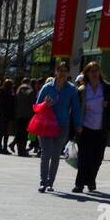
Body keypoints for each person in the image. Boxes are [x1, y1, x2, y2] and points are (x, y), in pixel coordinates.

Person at [74, 61, 110, 194]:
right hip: (85, 128)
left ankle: (91, 180)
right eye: (91, 71)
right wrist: (77, 126)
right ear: (87, 73)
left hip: (102, 128)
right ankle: (79, 184)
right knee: (84, 157)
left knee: (97, 158)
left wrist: (109, 105)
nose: (94, 73)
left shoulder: (107, 88)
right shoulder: (82, 90)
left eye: (96, 70)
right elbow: (76, 109)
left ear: (100, 72)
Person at [36, 62, 81, 193]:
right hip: (46, 125)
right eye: (60, 70)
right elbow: (36, 106)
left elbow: (76, 108)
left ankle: (50, 182)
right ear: (56, 71)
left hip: (62, 125)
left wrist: (78, 124)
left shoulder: (72, 89)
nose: (62, 73)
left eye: (65, 71)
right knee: (46, 154)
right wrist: (45, 104)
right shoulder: (47, 87)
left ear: (68, 73)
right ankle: (43, 182)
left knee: (55, 155)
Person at [13, 79, 35, 157]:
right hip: (27, 114)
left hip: (19, 114)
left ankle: (20, 150)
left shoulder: (18, 89)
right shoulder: (29, 89)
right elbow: (32, 101)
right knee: (24, 134)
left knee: (19, 132)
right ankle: (23, 151)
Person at [0, 78, 16, 155]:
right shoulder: (10, 94)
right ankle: (4, 148)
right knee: (6, 133)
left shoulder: (1, 92)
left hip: (1, 114)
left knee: (1, 133)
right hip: (7, 115)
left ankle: (0, 148)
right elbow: (12, 105)